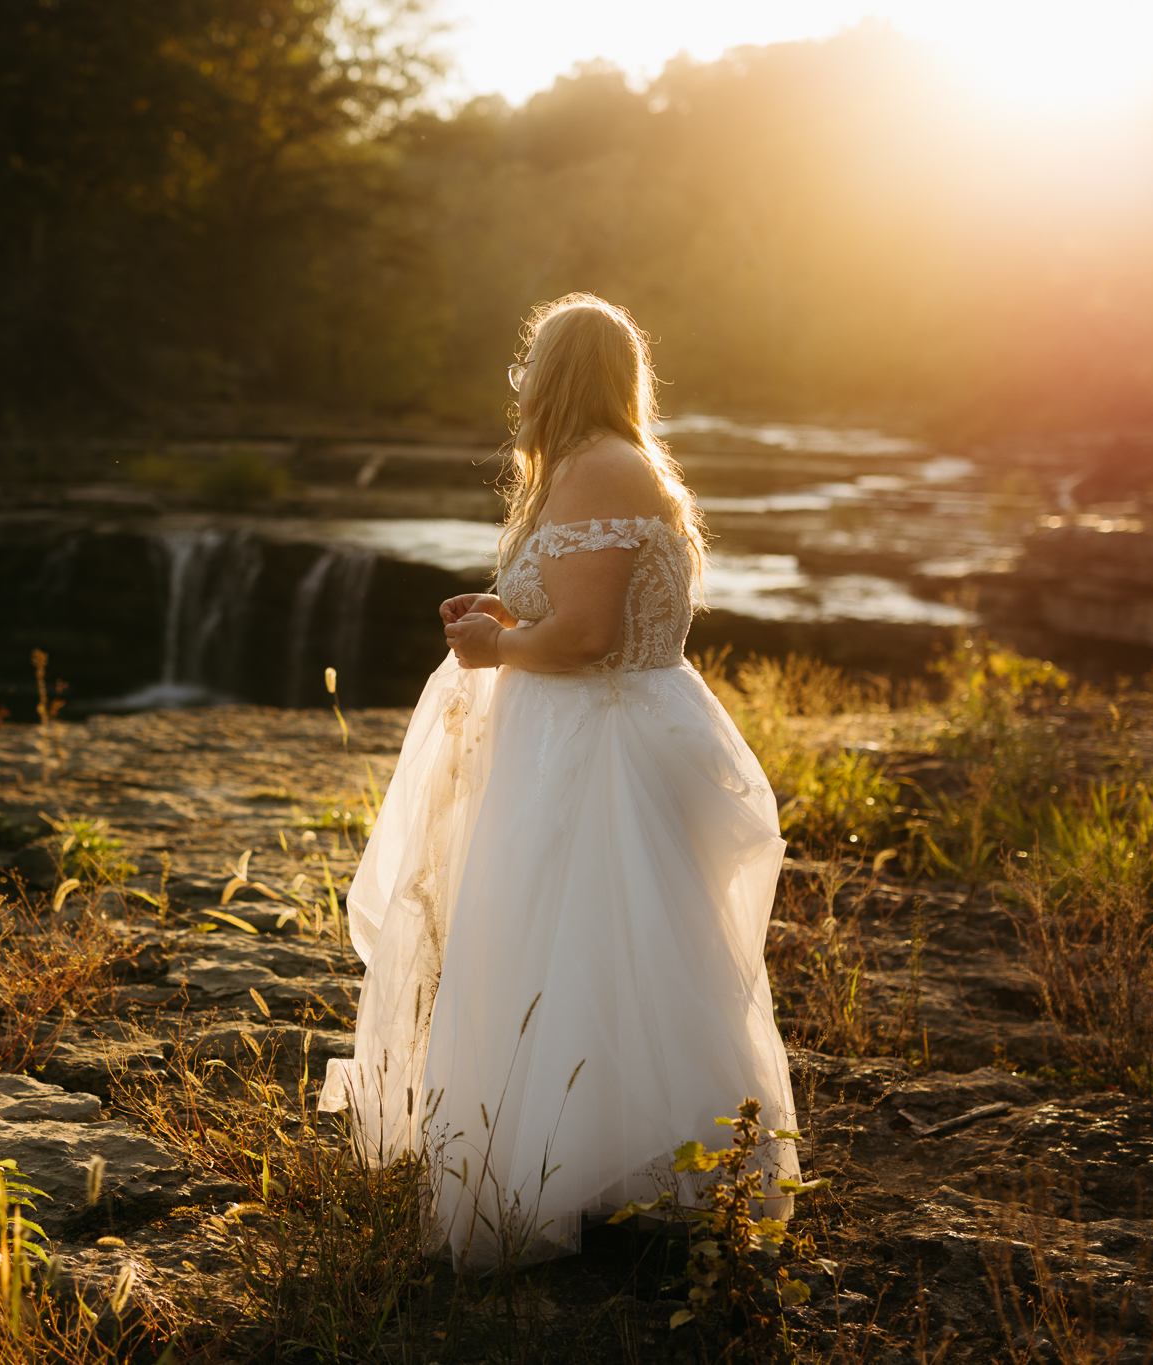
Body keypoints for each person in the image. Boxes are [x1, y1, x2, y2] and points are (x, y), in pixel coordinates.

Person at [319, 294, 798, 1267]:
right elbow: (581, 612)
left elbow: (581, 640)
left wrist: (499, 645)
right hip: (595, 729)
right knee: (588, 951)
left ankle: (595, 1177)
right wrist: (506, 614)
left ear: (555, 371)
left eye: (532, 362)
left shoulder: (598, 467)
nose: (521, 380)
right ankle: (604, 1169)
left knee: (590, 949)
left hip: (603, 749)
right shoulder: (604, 464)